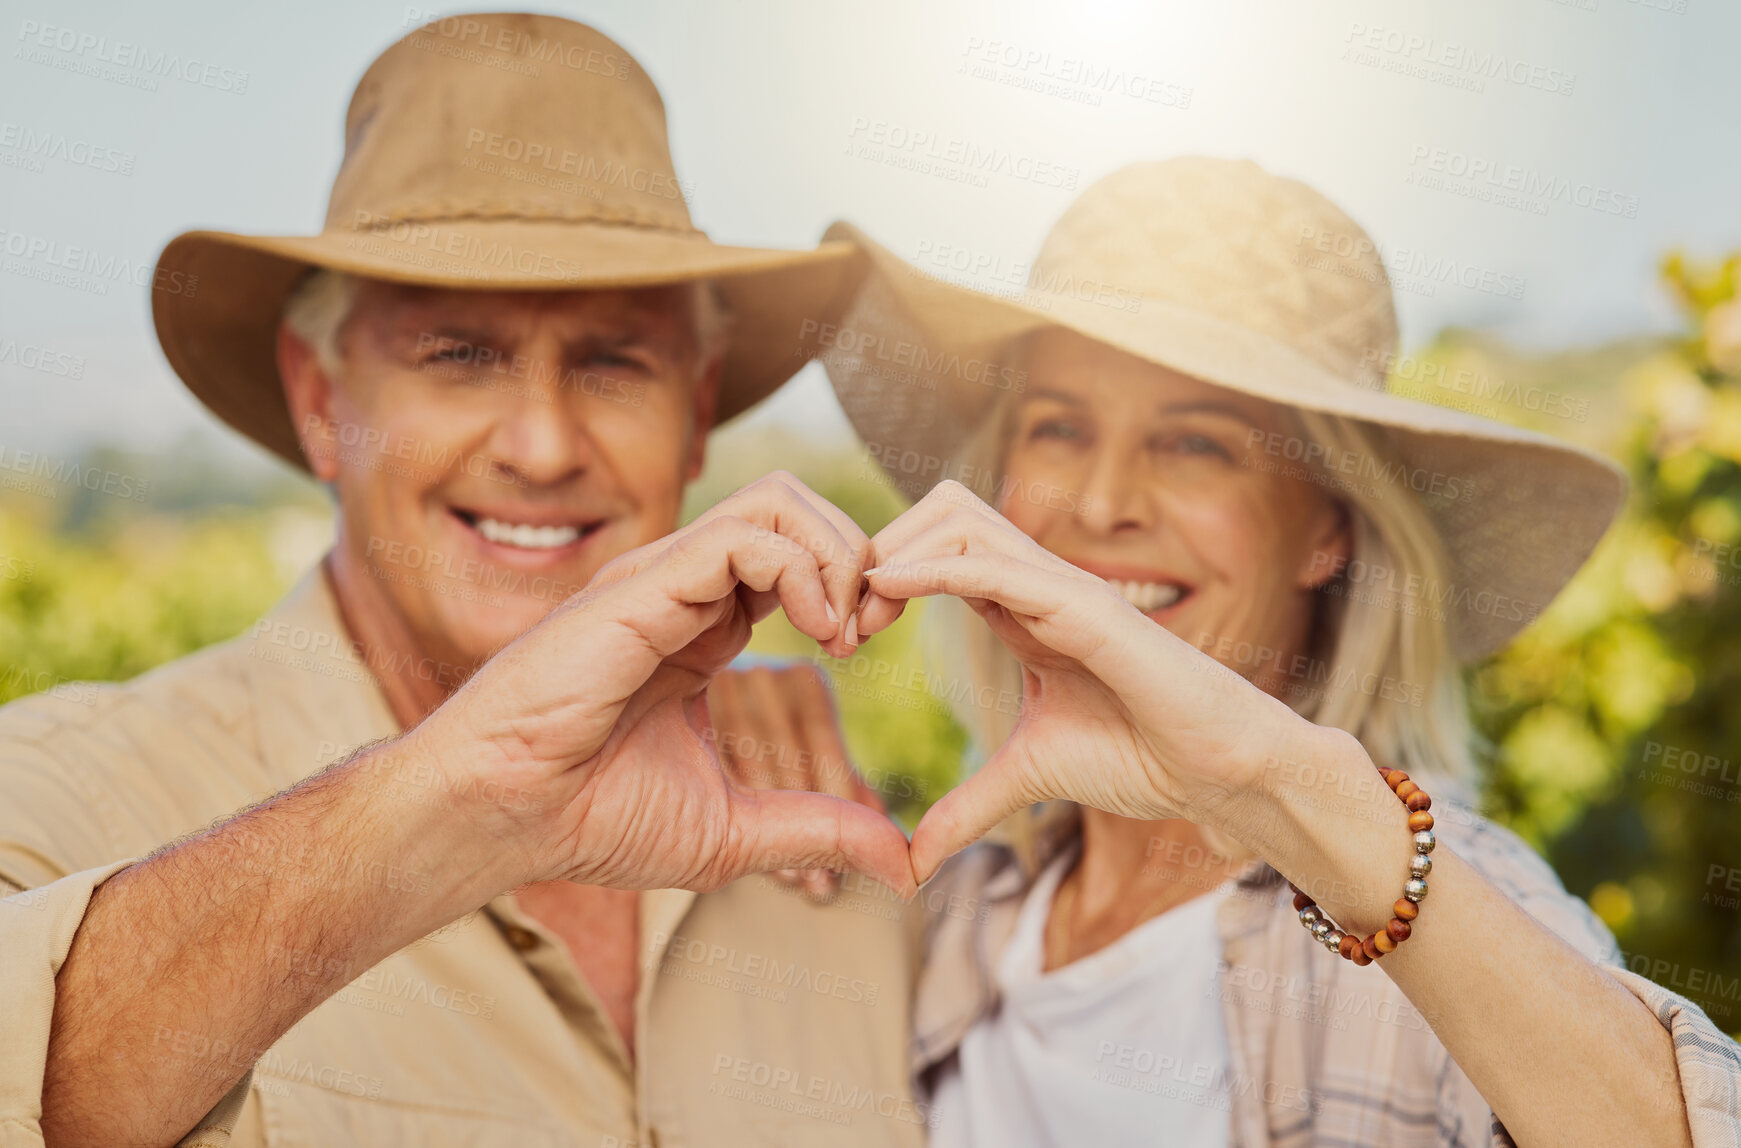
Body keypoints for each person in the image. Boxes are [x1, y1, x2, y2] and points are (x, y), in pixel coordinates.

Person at [0, 15, 925, 1148]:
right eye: (458, 354)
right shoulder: (51, 791)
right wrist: (458, 795)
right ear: (317, 398)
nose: (540, 445)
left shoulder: (841, 848)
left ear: (696, 409)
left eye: (612, 359)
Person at [812, 158, 1741, 1146]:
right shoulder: (958, 907)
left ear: (1325, 530)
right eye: (1057, 427)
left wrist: (1270, 782)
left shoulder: (1446, 902)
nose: (1097, 502)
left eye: (1196, 443)